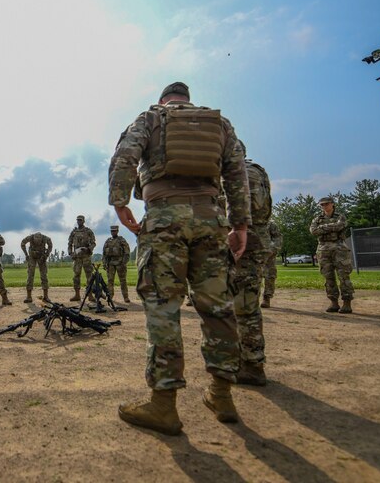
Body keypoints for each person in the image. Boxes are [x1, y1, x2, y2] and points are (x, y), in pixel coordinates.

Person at [109, 80, 250, 435]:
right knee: (217, 307)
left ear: (163, 100)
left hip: (164, 217)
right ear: (188, 100)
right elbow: (238, 173)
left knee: (163, 307)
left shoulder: (150, 117)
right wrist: (240, 224)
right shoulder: (221, 124)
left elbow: (125, 155)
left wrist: (120, 202)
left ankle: (164, 406)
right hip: (211, 220)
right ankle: (221, 395)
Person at [228, 157, 270, 386]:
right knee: (244, 304)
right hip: (249, 244)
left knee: (244, 306)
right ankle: (246, 359)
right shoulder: (256, 170)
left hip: (243, 245)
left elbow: (245, 207)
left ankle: (252, 365)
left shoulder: (242, 172)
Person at [310, 196, 354, 313]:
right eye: (322, 205)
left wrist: (323, 228)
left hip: (339, 248)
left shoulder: (340, 216)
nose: (325, 206)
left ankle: (347, 302)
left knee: (343, 276)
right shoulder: (317, 219)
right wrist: (331, 227)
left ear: (332, 204)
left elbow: (341, 225)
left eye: (327, 204)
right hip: (323, 249)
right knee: (328, 277)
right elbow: (313, 231)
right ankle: (334, 303)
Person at [68, 215, 96, 301]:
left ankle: (90, 295)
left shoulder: (88, 231)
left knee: (89, 276)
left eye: (80, 220)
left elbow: (93, 243)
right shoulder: (74, 232)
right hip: (77, 258)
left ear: (83, 221)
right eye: (78, 220)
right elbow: (69, 244)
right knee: (76, 276)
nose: (79, 221)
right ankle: (77, 295)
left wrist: (88, 249)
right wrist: (71, 253)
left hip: (86, 257)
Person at [20, 232, 53, 303]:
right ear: (33, 239)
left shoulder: (46, 238)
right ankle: (29, 297)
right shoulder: (30, 237)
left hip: (42, 256)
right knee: (30, 275)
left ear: (41, 239)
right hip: (32, 256)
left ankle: (46, 296)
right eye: (36, 241)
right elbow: (22, 243)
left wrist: (46, 255)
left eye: (39, 241)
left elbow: (50, 245)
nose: (37, 243)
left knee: (44, 275)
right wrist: (26, 254)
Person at [102, 225, 131, 302]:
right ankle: (110, 296)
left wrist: (124, 262)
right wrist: (104, 263)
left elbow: (127, 252)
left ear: (117, 231)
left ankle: (125, 297)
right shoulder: (108, 241)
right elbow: (104, 253)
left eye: (114, 231)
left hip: (120, 263)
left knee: (123, 281)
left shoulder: (121, 240)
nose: (113, 232)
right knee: (110, 280)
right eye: (112, 231)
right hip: (110, 263)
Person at [261, 220, 282, 308]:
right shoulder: (248, 221)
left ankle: (267, 298)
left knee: (270, 276)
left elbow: (277, 238)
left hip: (268, 255)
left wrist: (272, 250)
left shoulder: (270, 224)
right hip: (251, 254)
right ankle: (250, 298)